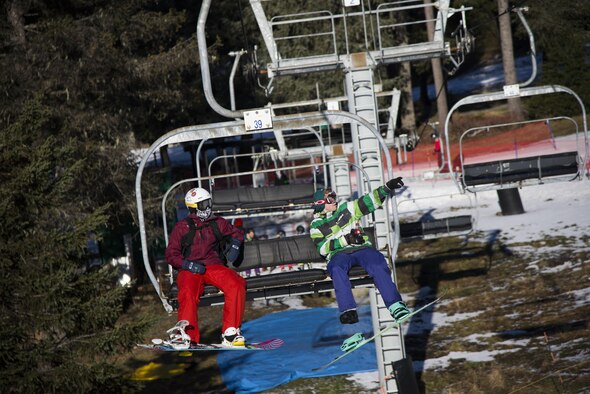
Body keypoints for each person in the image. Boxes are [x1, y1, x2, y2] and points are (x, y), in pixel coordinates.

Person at [309, 178, 410, 325]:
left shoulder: (346, 208)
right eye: (331, 198)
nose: (335, 200)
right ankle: (348, 311)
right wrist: (345, 240)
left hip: (361, 248)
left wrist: (386, 188)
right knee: (336, 269)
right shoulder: (316, 225)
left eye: (334, 196)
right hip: (339, 254)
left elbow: (367, 202)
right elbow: (323, 248)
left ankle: (395, 305)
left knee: (377, 261)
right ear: (321, 204)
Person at [165, 187, 246, 347]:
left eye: (208, 203)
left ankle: (230, 332)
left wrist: (236, 245)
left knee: (236, 284)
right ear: (193, 208)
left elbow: (236, 232)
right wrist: (187, 264)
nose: (207, 208)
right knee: (188, 293)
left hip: (212, 266)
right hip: (189, 269)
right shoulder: (182, 228)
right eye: (203, 205)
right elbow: (171, 254)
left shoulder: (216, 223)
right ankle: (187, 336)